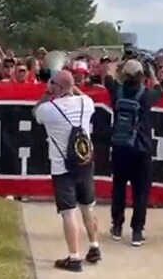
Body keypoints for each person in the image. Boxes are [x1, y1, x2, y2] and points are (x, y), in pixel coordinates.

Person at [33, 70, 101, 272]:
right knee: (88, 207)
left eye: (52, 83)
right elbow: (79, 94)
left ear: (57, 87)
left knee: (69, 213)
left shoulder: (48, 109)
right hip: (84, 163)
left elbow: (35, 112)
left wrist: (47, 93)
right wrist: (69, 86)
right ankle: (94, 247)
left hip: (62, 168)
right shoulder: (86, 103)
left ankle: (74, 258)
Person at [104, 59, 162, 246]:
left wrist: (117, 64)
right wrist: (151, 73)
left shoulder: (116, 92)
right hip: (142, 148)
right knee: (141, 192)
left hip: (120, 147)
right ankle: (137, 231)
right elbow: (160, 90)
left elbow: (108, 75)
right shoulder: (146, 96)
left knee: (118, 188)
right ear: (141, 76)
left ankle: (117, 226)